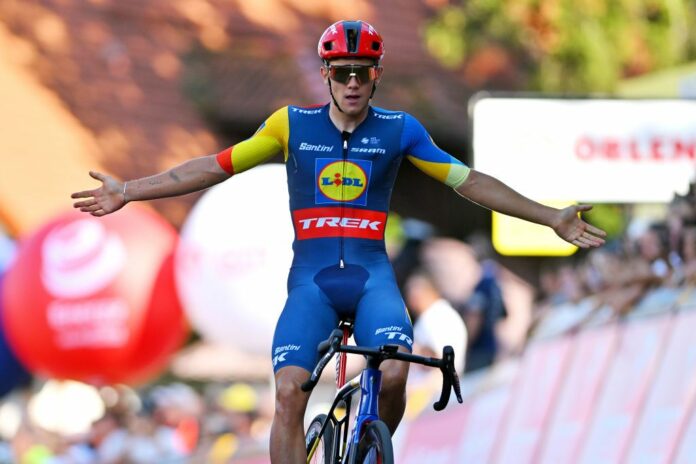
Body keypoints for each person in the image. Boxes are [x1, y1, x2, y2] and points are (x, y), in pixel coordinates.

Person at [71, 20, 606, 463]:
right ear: (327, 76)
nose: (352, 83)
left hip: (373, 277)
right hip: (313, 283)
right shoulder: (291, 125)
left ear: (376, 78)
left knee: (396, 370)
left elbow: (468, 182)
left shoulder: (400, 129)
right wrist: (130, 191)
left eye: (363, 73)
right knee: (287, 393)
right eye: (342, 73)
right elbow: (213, 168)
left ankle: (372, 449)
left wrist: (548, 216)